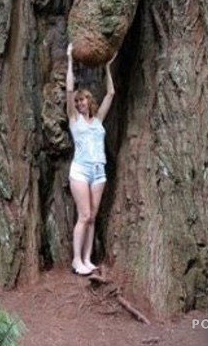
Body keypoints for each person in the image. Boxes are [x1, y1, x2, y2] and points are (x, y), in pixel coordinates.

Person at [66, 42, 116, 275]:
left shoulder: (98, 121)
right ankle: (76, 260)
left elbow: (111, 94)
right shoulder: (74, 120)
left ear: (89, 101)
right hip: (80, 170)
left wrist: (107, 67)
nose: (79, 103)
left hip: (98, 171)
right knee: (84, 215)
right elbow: (69, 90)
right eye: (77, 102)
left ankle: (87, 259)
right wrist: (69, 59)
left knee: (93, 217)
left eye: (82, 100)